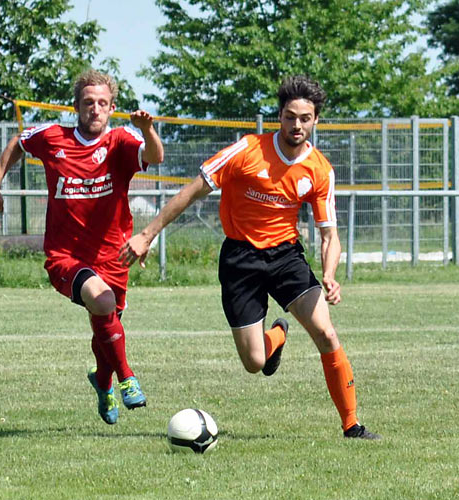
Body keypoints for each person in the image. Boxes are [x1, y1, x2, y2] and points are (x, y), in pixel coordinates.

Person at [119, 75, 380, 439]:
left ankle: (352, 426)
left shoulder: (320, 170)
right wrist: (147, 235)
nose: (297, 125)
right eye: (290, 117)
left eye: (305, 118)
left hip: (286, 256)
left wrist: (330, 273)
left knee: (326, 333)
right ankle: (277, 335)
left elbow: (329, 235)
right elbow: (193, 191)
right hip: (240, 258)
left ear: (316, 119)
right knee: (254, 362)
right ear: (279, 116)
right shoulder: (247, 150)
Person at [0, 69, 164, 424]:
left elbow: (155, 158)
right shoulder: (53, 138)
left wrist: (146, 130)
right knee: (103, 302)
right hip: (66, 255)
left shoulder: (119, 142)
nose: (94, 109)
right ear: (77, 107)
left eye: (101, 103)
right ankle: (127, 378)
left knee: (106, 323)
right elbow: (19, 142)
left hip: (114, 255)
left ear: (111, 108)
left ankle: (102, 381)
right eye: (88, 103)